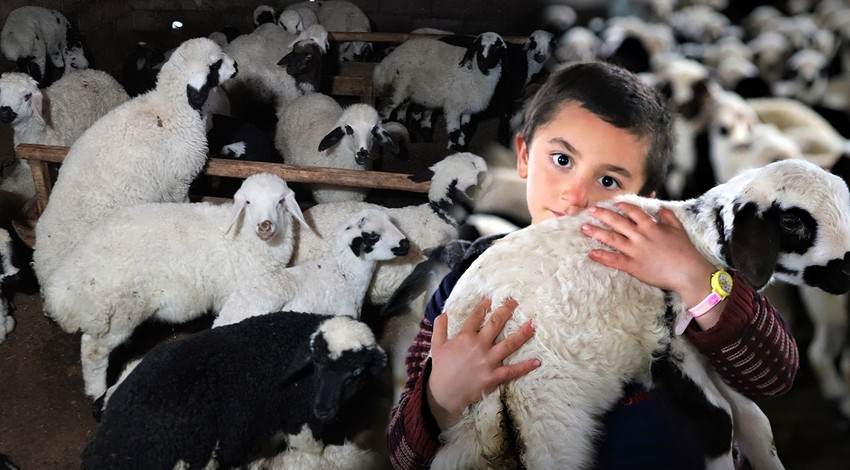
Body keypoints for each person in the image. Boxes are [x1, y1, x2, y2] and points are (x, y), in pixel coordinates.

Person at [386, 60, 799, 469]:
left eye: (609, 182)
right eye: (562, 160)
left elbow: (773, 375)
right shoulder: (471, 278)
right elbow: (403, 455)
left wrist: (697, 279)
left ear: (645, 198)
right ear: (525, 156)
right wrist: (439, 400)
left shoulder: (668, 269)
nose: (576, 196)